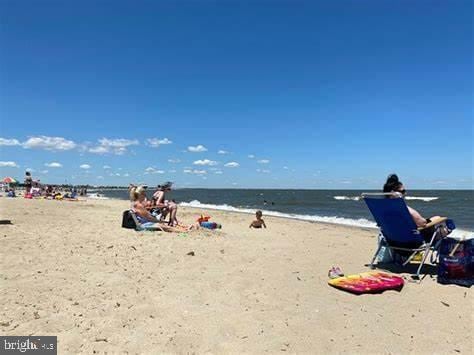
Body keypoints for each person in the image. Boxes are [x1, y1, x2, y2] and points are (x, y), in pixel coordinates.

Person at [383, 174, 445, 241]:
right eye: (403, 191)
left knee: (435, 218)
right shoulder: (402, 208)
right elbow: (422, 223)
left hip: (393, 240)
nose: (405, 193)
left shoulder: (382, 208)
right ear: (393, 193)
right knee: (440, 220)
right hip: (410, 241)